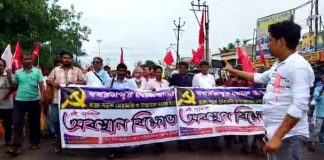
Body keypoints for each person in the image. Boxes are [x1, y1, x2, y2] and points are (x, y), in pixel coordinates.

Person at [224, 20, 314, 160]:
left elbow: (299, 105)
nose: (268, 45)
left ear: (281, 41)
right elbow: (259, 77)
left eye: (270, 41)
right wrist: (232, 71)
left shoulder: (298, 67)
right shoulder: (280, 65)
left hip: (290, 137)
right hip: (276, 135)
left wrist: (278, 137)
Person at [46, 51, 86, 153]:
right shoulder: (56, 70)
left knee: (70, 123)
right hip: (57, 101)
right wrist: (54, 84)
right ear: (61, 59)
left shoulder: (77, 70)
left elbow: (84, 81)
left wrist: (74, 82)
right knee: (56, 122)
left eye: (69, 58)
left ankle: (70, 145)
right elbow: (48, 80)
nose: (66, 59)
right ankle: (59, 142)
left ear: (71, 59)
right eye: (64, 58)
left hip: (72, 103)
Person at [7, 52, 45, 156]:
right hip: (20, 101)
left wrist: (42, 97)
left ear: (32, 60)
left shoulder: (37, 72)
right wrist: (9, 77)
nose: (27, 61)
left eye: (29, 59)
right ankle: (16, 146)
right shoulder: (18, 73)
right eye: (25, 59)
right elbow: (14, 87)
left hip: (34, 101)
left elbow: (41, 85)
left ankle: (35, 142)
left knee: (34, 123)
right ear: (22, 60)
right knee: (17, 123)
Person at [0, 59, 13, 146]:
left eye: (0, 65)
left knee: (7, 124)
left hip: (6, 105)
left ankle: (7, 140)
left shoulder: (8, 75)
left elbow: (11, 88)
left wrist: (2, 98)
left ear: (4, 66)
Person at [310, 75, 324, 145]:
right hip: (320, 112)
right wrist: (321, 94)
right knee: (317, 128)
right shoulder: (318, 89)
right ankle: (312, 140)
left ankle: (320, 138)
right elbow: (315, 98)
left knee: (321, 129)